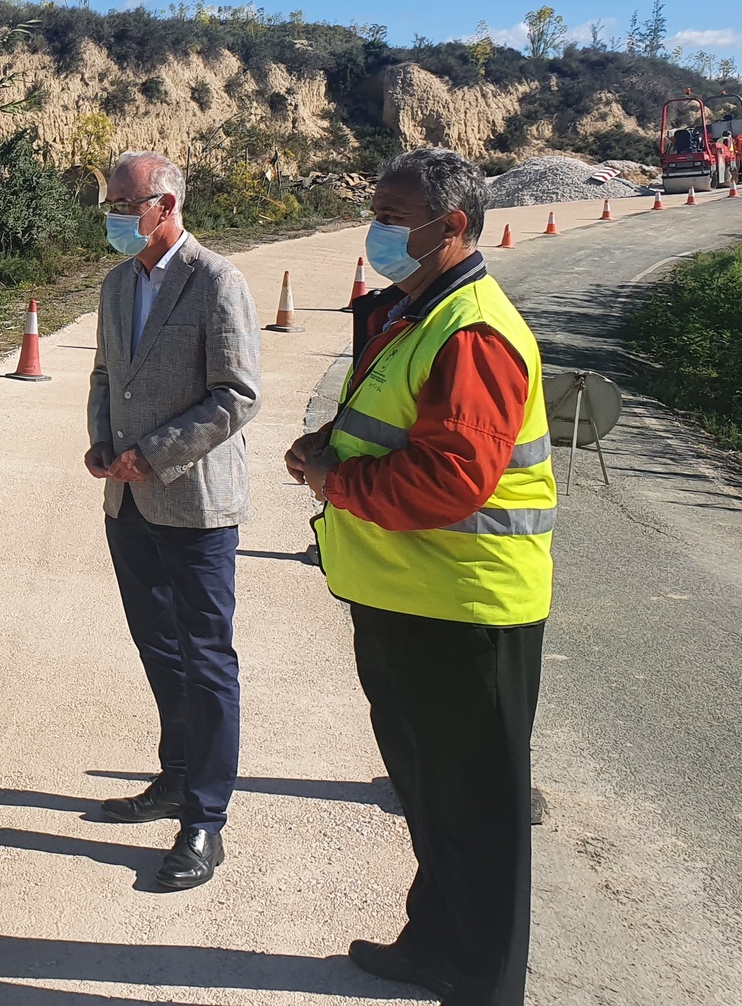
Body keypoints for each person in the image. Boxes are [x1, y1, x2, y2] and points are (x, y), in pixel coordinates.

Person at [285, 147, 555, 1006]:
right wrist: (327, 447)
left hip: (467, 611)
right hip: (407, 599)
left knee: (478, 815)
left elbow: (451, 480)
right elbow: (392, 426)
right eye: (376, 210)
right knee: (432, 800)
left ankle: (483, 985)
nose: (378, 229)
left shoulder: (474, 331)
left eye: (394, 216)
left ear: (455, 227)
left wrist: (336, 483)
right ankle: (433, 941)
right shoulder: (414, 310)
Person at [84, 151, 261, 892]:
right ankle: (176, 775)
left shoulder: (217, 280)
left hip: (192, 503)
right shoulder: (118, 283)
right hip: (127, 502)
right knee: (158, 644)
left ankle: (205, 821)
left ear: (166, 203)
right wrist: (101, 440)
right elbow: (104, 374)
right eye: (111, 202)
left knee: (206, 657)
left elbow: (235, 395)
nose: (115, 214)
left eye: (126, 201)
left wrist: (152, 455)